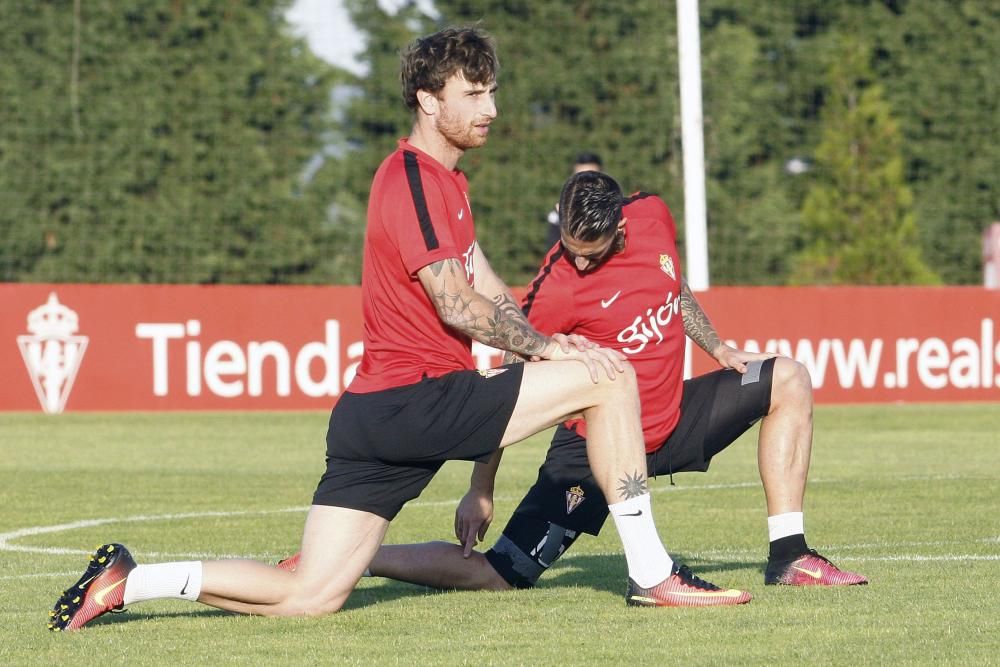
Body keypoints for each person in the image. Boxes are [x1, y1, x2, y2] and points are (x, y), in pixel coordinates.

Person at [49, 28, 749, 634]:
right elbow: (454, 304)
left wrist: (544, 340)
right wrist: (546, 347)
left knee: (310, 595)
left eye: (493, 91)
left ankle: (128, 579)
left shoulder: (448, 184)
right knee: (613, 374)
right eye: (474, 94)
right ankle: (653, 572)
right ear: (427, 99)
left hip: (373, 414)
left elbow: (487, 287)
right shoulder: (410, 178)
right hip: (423, 398)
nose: (492, 109)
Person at [288, 169, 867, 595]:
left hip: (674, 422)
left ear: (620, 229)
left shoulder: (653, 216)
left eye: (591, 255)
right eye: (570, 250)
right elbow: (513, 380)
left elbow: (673, 283)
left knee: (787, 376)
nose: (579, 265)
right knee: (500, 575)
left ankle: (790, 556)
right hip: (592, 450)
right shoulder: (555, 287)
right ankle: (357, 560)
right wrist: (481, 486)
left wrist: (715, 345)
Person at [545, 152, 603, 251]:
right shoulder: (561, 211)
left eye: (591, 176)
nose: (586, 182)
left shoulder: (616, 208)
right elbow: (555, 248)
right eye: (580, 176)